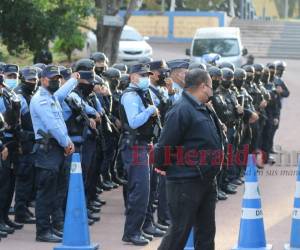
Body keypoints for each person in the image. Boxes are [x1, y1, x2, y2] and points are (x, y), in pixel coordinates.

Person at [155, 69, 224, 250]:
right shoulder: (181, 110)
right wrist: (164, 166)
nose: (212, 91)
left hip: (205, 180)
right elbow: (165, 146)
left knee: (206, 233)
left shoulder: (202, 108)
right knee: (179, 232)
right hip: (185, 182)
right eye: (210, 86)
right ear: (202, 86)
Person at [30, 65, 79, 242]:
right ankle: (43, 231)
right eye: (53, 78)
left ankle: (50, 227)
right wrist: (67, 142)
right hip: (48, 149)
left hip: (55, 149)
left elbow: (61, 93)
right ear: (43, 80)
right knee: (45, 193)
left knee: (54, 191)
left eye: (59, 78)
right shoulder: (41, 100)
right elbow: (52, 125)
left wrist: (73, 79)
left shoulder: (51, 97)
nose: (57, 81)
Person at [119, 63, 159, 246]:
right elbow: (134, 122)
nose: (146, 78)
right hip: (134, 146)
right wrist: (150, 110)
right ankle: (132, 232)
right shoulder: (130, 96)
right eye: (142, 75)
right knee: (140, 190)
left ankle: (138, 228)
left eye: (147, 75)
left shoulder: (143, 94)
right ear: (133, 77)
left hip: (143, 145)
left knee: (146, 190)